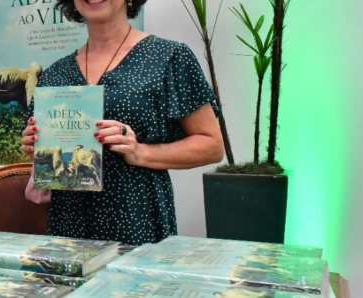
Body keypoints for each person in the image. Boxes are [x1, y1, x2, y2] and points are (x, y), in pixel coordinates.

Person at [20, 0, 224, 245]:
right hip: (69, 224)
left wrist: (141, 152)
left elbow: (212, 146)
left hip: (137, 220)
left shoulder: (169, 57)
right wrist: (33, 141)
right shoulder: (55, 74)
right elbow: (44, 154)